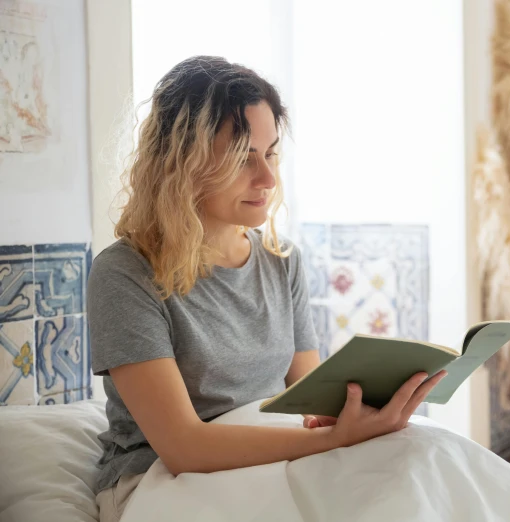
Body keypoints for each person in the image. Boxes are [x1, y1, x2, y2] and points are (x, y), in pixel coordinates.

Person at [87, 55, 447, 522]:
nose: (268, 179)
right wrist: (331, 441)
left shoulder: (282, 260)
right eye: (243, 157)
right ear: (182, 163)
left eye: (271, 152)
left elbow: (311, 395)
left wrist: (349, 418)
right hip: (162, 476)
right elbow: (182, 446)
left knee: (428, 457)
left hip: (273, 454)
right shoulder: (124, 274)